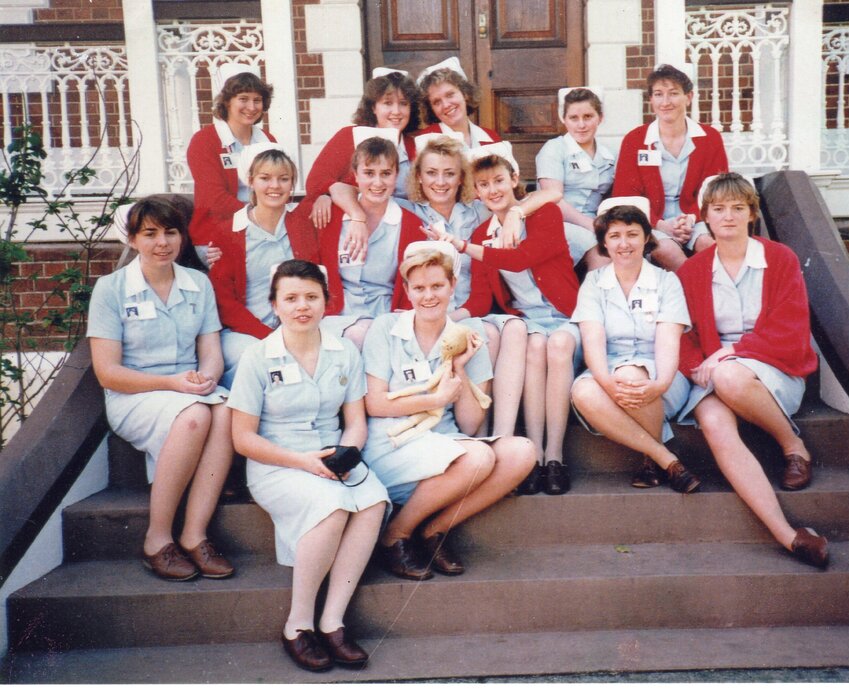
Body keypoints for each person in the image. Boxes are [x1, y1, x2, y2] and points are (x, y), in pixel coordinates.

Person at [229, 259, 388, 672]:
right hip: (278, 463)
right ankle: (298, 625)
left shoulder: (344, 351)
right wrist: (303, 462)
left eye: (312, 297)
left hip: (331, 459)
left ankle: (333, 621)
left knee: (373, 501)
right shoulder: (258, 356)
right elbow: (243, 439)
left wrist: (346, 456)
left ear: (326, 301)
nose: (303, 306)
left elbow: (355, 423)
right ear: (275, 305)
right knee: (332, 507)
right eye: (292, 298)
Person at [675, 172, 828, 567]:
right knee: (712, 421)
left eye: (737, 208)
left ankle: (794, 447)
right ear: (705, 216)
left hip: (772, 370)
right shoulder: (691, 272)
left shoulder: (779, 259)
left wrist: (728, 354)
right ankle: (789, 535)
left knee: (729, 375)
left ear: (751, 214)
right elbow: (680, 335)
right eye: (718, 209)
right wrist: (697, 368)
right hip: (713, 373)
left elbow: (790, 330)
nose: (727, 217)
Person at [363, 247, 535, 580]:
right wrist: (436, 399)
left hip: (447, 445)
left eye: (437, 287)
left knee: (521, 452)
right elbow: (375, 404)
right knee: (479, 458)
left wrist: (460, 368)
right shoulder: (386, 328)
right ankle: (394, 536)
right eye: (419, 288)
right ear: (407, 290)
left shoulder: (469, 337)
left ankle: (432, 531)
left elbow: (471, 424)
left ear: (452, 286)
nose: (428, 296)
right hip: (393, 444)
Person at [87, 197, 234, 582]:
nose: (162, 242)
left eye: (170, 232)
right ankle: (156, 539)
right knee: (195, 416)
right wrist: (173, 384)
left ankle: (194, 535)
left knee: (227, 411)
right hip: (136, 395)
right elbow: (108, 373)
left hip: (186, 389)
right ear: (133, 239)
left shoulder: (198, 284)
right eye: (150, 233)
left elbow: (211, 351)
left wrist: (208, 377)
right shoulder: (111, 289)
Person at [430, 144, 581, 496]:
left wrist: (464, 246)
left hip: (564, 317)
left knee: (554, 344)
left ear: (514, 180)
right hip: (528, 321)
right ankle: (532, 456)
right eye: (483, 185)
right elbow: (482, 299)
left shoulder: (544, 216)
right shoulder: (484, 232)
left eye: (499, 180)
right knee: (534, 344)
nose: (493, 190)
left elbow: (521, 258)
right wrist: (448, 317)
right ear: (477, 192)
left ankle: (554, 456)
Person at [570, 198, 701, 492]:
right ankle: (663, 457)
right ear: (604, 243)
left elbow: (668, 344)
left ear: (646, 238)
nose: (623, 243)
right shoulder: (594, 283)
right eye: (614, 236)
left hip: (662, 375)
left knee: (631, 373)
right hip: (610, 373)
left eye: (632, 234)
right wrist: (605, 381)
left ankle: (650, 459)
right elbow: (593, 342)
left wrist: (661, 383)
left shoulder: (666, 282)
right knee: (582, 391)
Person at [210, 143, 323, 388]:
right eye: (265, 178)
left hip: (298, 324)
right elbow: (224, 301)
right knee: (256, 359)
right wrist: (267, 335)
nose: (275, 186)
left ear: (292, 183)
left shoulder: (304, 223)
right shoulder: (229, 232)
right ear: (250, 181)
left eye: (284, 179)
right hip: (247, 331)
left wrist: (324, 195)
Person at [613, 64, 728, 271]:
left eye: (673, 94)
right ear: (651, 100)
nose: (665, 102)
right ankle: (696, 294)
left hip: (696, 216)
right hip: (653, 221)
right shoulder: (635, 140)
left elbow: (716, 190)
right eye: (658, 94)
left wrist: (691, 218)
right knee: (664, 249)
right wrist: (661, 224)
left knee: (709, 245)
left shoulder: (710, 139)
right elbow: (626, 196)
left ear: (689, 97)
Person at [316, 136, 425, 350]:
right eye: (369, 173)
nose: (378, 183)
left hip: (387, 315)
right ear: (355, 176)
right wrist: (323, 196)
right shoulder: (333, 217)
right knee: (359, 335)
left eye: (386, 174)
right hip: (338, 316)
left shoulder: (410, 224)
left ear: (396, 176)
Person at [307, 68, 421, 238]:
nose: (396, 111)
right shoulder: (348, 136)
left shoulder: (415, 145)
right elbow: (316, 182)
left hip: (403, 231)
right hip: (358, 229)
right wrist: (325, 195)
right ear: (373, 107)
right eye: (387, 103)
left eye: (403, 103)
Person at [187, 64, 276, 249]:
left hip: (264, 227)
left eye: (257, 100)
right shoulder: (205, 141)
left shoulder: (268, 140)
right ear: (227, 101)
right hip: (217, 235)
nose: (251, 107)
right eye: (243, 99)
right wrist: (259, 216)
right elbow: (215, 199)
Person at [535, 86, 617, 270]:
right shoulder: (554, 149)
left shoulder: (610, 154)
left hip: (595, 222)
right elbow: (553, 200)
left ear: (600, 118)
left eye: (588, 117)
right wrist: (592, 225)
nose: (581, 125)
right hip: (558, 221)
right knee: (602, 255)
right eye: (574, 118)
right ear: (564, 119)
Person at [415, 57, 501, 150]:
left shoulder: (491, 138)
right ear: (431, 109)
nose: (446, 105)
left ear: (465, 94)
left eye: (450, 95)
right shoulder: (426, 141)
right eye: (437, 102)